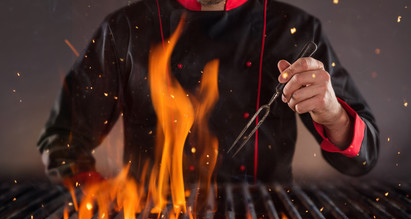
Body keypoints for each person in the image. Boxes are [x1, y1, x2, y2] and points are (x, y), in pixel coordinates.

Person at [37, 0, 379, 186]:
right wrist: (97, 194)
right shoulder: (125, 29)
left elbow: (364, 158)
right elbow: (61, 139)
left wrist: (333, 115)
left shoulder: (297, 29)